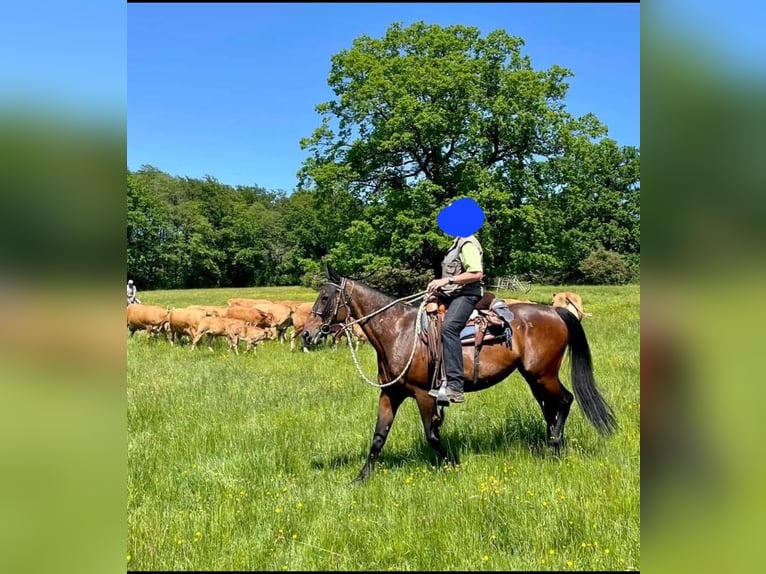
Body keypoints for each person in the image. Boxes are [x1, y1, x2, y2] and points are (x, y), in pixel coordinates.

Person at [426, 198, 485, 404]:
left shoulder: (468, 242)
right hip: (453, 294)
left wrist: (447, 279)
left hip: (467, 295)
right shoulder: (456, 243)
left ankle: (455, 387)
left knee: (449, 328)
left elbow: (476, 273)